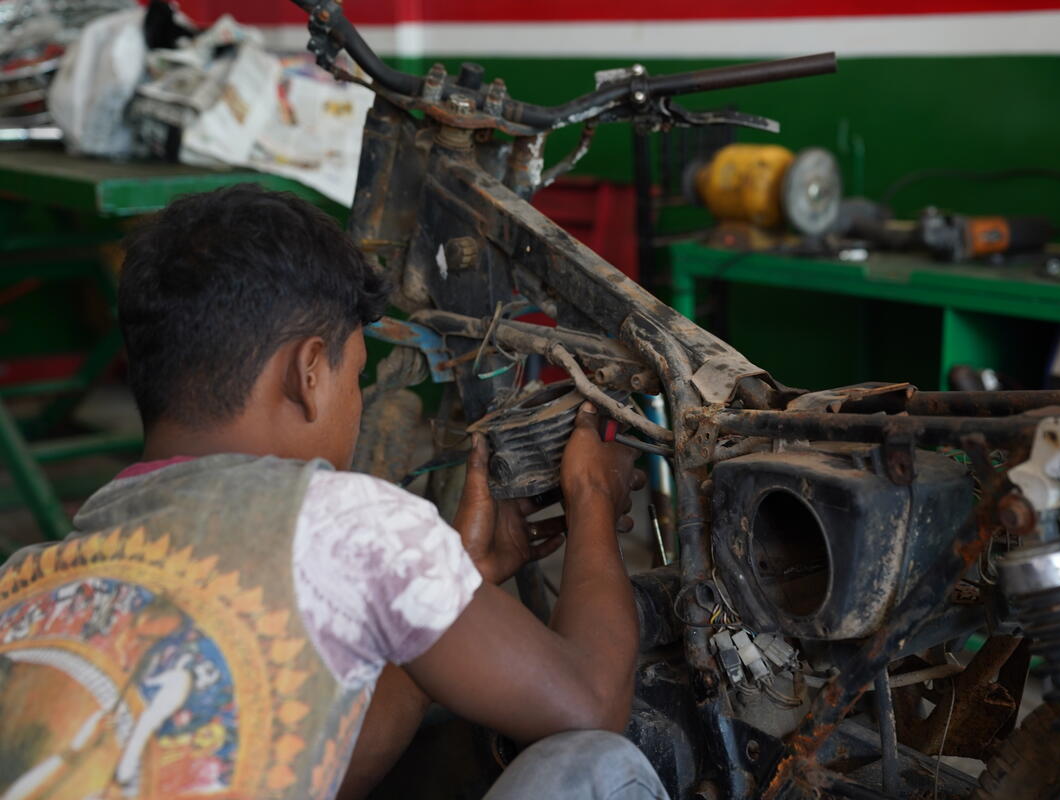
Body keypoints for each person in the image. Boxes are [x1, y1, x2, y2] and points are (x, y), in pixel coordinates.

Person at [0, 184, 667, 800]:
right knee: (596, 770)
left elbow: (311, 763)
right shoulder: (346, 523)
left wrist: (451, 585)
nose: (354, 399)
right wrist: (593, 500)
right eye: (354, 376)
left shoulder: (27, 583)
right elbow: (590, 704)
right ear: (308, 372)